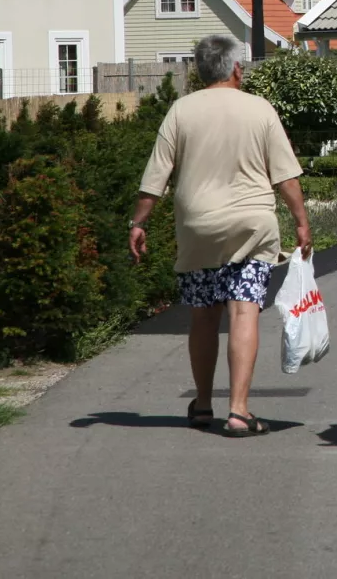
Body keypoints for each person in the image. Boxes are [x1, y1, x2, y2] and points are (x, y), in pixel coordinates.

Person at [128, 34, 312, 438]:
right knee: (244, 309)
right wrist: (301, 222)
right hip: (251, 224)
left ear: (199, 72)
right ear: (236, 69)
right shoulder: (260, 110)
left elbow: (155, 177)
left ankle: (203, 404)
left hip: (199, 228)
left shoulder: (180, 110)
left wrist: (138, 223)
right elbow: (286, 176)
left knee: (203, 315)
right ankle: (239, 410)